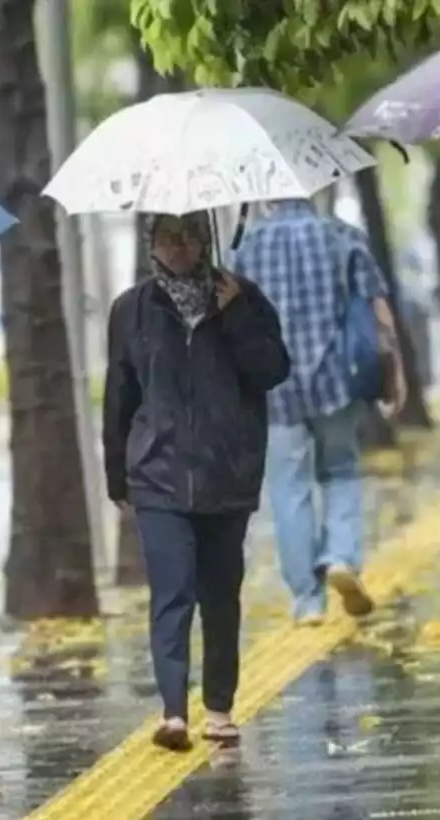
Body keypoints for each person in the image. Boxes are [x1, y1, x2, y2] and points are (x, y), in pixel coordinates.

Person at [103, 211, 290, 751]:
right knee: (171, 590)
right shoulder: (131, 309)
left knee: (220, 594)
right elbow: (120, 395)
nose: (181, 246)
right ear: (151, 243)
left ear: (207, 238)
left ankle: (220, 707)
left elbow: (272, 371)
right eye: (168, 237)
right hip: (157, 473)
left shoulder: (243, 297)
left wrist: (236, 317)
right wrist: (118, 471)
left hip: (226, 472)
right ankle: (172, 712)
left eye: (191, 235)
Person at [232, 199, 406, 626]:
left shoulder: (246, 247)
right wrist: (396, 370)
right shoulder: (342, 235)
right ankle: (341, 556)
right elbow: (377, 308)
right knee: (341, 471)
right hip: (336, 380)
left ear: (268, 194)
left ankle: (308, 601)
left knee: (288, 489)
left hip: (274, 389)